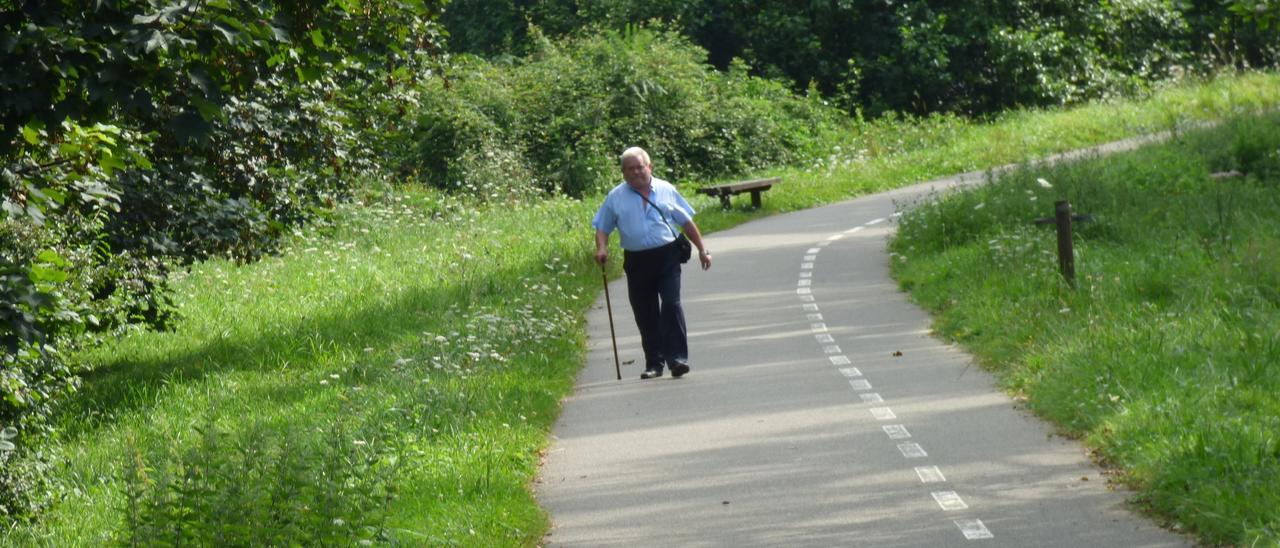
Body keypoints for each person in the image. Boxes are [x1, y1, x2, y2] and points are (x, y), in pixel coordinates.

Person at [593, 146, 711, 379]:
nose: (636, 172)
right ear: (623, 172)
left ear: (649, 167)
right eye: (630, 169)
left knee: (671, 304)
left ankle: (677, 359)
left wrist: (702, 250)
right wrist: (602, 247)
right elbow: (602, 226)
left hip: (667, 256)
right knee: (645, 312)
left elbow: (686, 222)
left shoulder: (666, 190)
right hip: (637, 260)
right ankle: (654, 364)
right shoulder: (615, 196)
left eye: (640, 167)